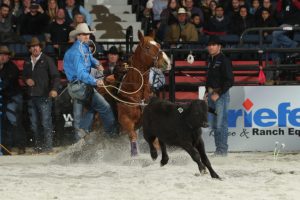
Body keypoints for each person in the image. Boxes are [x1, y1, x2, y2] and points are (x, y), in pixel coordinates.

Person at [63, 23, 117, 141]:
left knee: (90, 108)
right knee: (105, 107)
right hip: (81, 87)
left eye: (87, 34)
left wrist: (97, 63)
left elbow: (90, 58)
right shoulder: (77, 52)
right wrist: (95, 81)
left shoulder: (83, 47)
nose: (87, 36)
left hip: (77, 87)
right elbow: (81, 73)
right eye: (84, 34)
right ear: (78, 36)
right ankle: (111, 136)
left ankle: (83, 131)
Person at [22, 37, 60, 153]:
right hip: (31, 96)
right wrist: (26, 80)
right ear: (29, 49)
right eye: (32, 46)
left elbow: (56, 76)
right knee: (34, 124)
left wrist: (54, 89)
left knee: (45, 122)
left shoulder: (47, 60)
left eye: (37, 46)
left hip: (44, 96)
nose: (35, 48)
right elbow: (24, 76)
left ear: (40, 47)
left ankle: (48, 147)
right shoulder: (27, 62)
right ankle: (38, 147)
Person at [205, 35, 234, 156]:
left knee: (220, 123)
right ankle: (219, 149)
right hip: (212, 95)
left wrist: (218, 93)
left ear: (219, 47)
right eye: (210, 45)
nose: (211, 47)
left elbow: (230, 80)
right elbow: (209, 78)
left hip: (220, 96)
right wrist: (207, 92)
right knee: (214, 124)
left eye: (213, 45)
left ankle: (222, 150)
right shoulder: (210, 60)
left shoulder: (224, 60)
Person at [0, 45, 26, 155]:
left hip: (13, 97)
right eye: (1, 54)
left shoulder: (12, 68)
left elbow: (6, 84)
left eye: (5, 55)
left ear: (8, 57)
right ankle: (6, 147)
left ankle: (21, 146)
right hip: (4, 98)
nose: (2, 57)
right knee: (5, 122)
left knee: (14, 121)